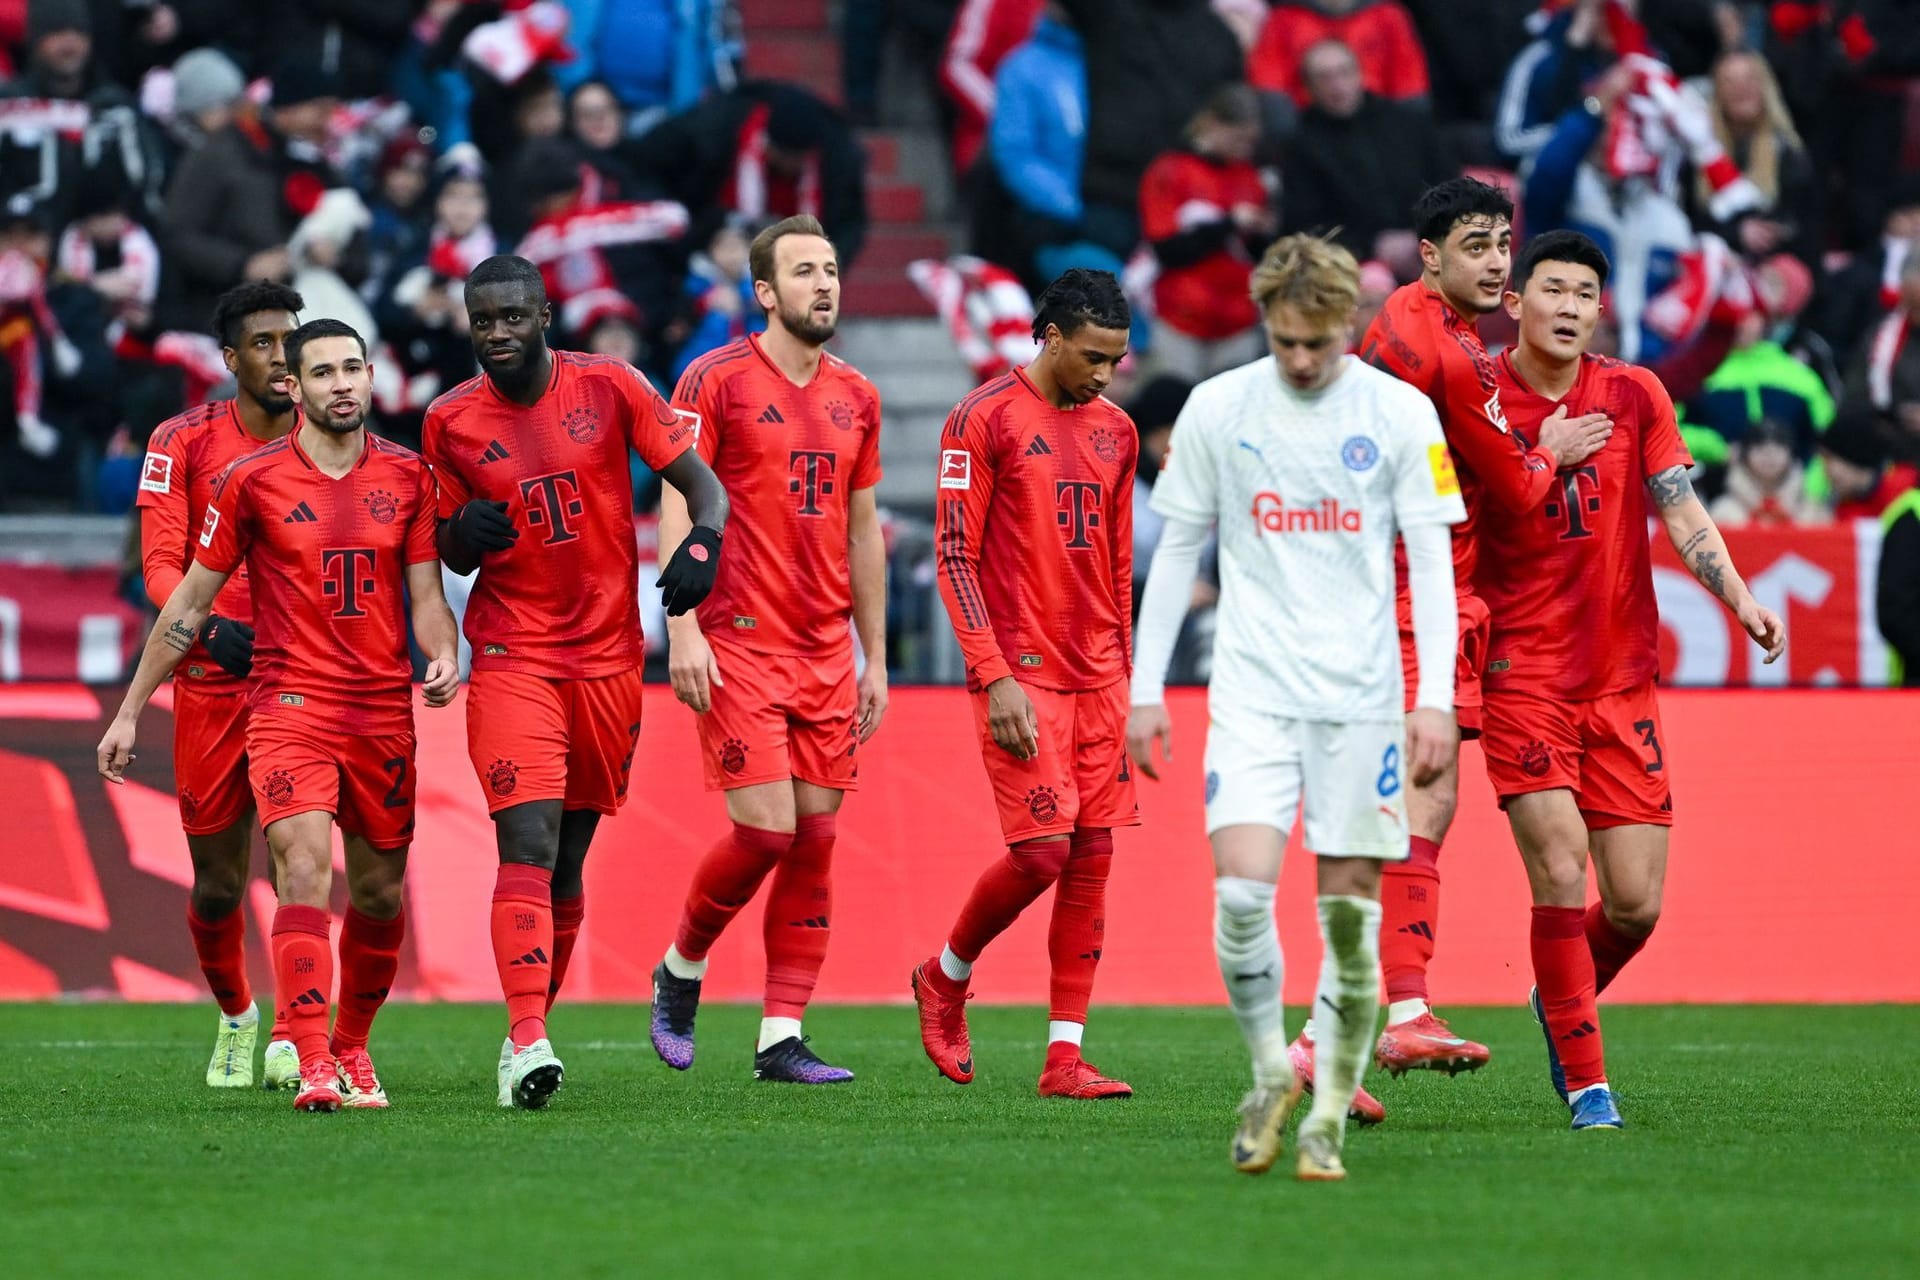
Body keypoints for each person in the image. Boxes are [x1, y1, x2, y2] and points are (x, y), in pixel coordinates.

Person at [1129, 233, 1465, 1180]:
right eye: (1284, 343)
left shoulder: (1399, 413)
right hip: (1253, 694)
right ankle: (1271, 1071)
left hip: (1363, 701)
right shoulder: (1216, 408)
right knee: (1239, 898)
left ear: (1348, 325)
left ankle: (1325, 1113)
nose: (1302, 360)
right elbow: (1178, 552)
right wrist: (1146, 689)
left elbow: (1433, 563)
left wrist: (1433, 698)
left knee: (1348, 921)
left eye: (1318, 342)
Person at [99, 318, 463, 1113]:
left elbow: (428, 598)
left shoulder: (410, 478)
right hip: (287, 704)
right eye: (323, 372)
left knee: (378, 895)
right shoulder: (251, 482)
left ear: (371, 378)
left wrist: (444, 653)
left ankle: (353, 1045)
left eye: (352, 369)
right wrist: (130, 709)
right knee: (301, 868)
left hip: (380, 712)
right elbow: (188, 604)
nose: (341, 384)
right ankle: (311, 1060)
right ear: (293, 387)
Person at [1482, 229, 1783, 1129]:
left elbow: (1679, 506)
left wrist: (1737, 594)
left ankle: (1558, 998)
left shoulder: (1634, 392)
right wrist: (1543, 458)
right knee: (1560, 868)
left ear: (1600, 310)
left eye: (1584, 293)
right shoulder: (1478, 399)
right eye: (1553, 289)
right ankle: (1588, 1086)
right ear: (1516, 301)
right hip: (1520, 675)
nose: (1569, 306)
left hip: (1620, 679)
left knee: (1637, 905)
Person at [421, 254, 729, 1110]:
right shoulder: (448, 420)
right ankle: (527, 1040)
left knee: (568, 864)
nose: (497, 333)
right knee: (526, 842)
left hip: (608, 658)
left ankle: (527, 1034)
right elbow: (442, 541)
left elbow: (704, 489)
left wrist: (702, 544)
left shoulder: (613, 386)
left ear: (545, 315)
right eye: (483, 320)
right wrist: (462, 535)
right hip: (514, 653)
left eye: (512, 316)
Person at [1333, 177, 1612, 1113]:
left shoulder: (1417, 328)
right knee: (1422, 788)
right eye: (1478, 245)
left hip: (1403, 584)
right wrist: (1555, 450)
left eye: (1504, 243)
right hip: (1414, 590)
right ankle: (1393, 1010)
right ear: (1431, 255)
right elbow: (1521, 483)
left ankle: (1364, 1024)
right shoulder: (1445, 353)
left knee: (1417, 799)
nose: (1498, 261)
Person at [647, 215, 887, 1084]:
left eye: (830, 269)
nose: (823, 284)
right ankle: (680, 966)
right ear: (764, 292)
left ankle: (780, 1036)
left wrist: (877, 657)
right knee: (766, 833)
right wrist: (680, 627)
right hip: (739, 640)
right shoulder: (713, 381)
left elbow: (864, 531)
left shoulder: (857, 394)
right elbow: (680, 497)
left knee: (816, 839)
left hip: (825, 649)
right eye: (804, 272)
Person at [912, 268, 1138, 1100]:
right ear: (1047, 337)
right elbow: (952, 554)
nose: (1105, 375)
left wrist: (1128, 671)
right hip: (1021, 674)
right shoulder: (983, 418)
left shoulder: (1117, 429)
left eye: (1116, 359)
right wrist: (992, 674)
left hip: (1099, 675)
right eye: (1091, 357)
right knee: (1043, 852)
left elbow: (1116, 560)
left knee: (1095, 855)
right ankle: (945, 977)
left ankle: (1064, 1058)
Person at [134, 281, 304, 1090]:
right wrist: (204, 626)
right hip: (207, 679)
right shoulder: (181, 440)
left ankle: (301, 1032)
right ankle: (238, 1015)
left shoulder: (331, 432)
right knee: (218, 884)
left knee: (296, 861)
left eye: (289, 340)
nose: (282, 357)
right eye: (264, 343)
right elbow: (161, 561)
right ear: (231, 358)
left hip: (299, 682)